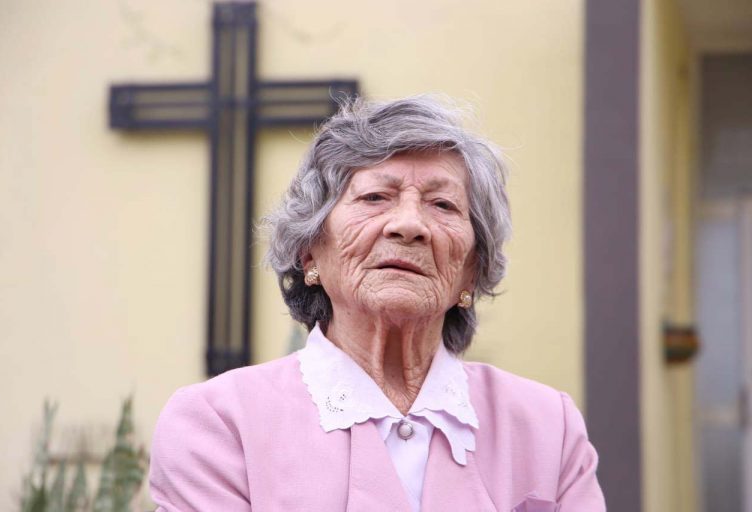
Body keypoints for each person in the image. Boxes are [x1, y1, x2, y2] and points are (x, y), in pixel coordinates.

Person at [148, 96, 606, 511]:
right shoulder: (219, 424)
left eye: (443, 205)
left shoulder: (548, 426)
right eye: (374, 197)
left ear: (471, 271)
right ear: (310, 253)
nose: (409, 225)